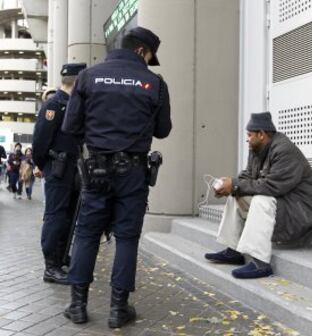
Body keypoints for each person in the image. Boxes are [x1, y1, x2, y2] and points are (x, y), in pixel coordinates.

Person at [61, 26, 172, 328]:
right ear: (140, 51)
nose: (149, 62)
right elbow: (163, 130)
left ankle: (77, 305)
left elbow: (70, 126)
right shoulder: (154, 83)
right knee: (126, 238)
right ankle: (117, 310)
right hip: (134, 172)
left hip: (96, 169)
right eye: (149, 56)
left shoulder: (88, 77)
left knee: (86, 234)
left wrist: (98, 140)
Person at [205, 112, 312, 279]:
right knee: (236, 195)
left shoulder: (284, 150)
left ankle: (260, 263)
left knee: (262, 200)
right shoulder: (257, 148)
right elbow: (247, 177)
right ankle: (233, 251)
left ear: (261, 134)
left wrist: (235, 185)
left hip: (304, 212)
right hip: (285, 205)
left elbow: (273, 187)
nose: (247, 139)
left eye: (249, 135)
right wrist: (229, 187)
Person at [32, 63, 87, 285]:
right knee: (55, 217)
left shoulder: (76, 104)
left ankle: (62, 258)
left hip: (72, 169)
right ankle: (51, 266)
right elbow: (40, 143)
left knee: (69, 217)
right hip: (58, 169)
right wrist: (46, 166)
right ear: (77, 81)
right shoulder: (54, 105)